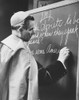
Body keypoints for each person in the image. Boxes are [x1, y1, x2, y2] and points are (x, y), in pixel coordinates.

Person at [0, 11, 70, 100]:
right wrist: (61, 61)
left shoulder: (3, 45)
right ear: (20, 29)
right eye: (31, 29)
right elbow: (43, 77)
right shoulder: (21, 52)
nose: (34, 33)